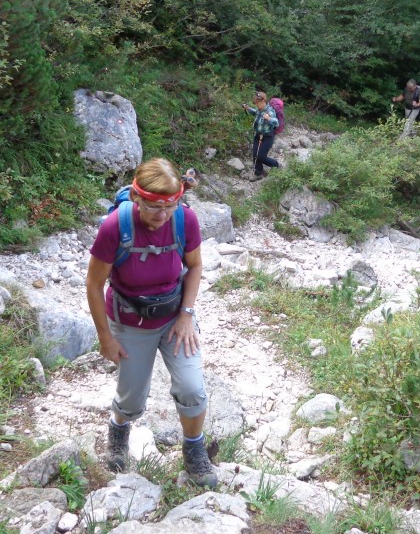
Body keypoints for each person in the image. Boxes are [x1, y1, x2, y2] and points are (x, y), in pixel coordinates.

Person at [85, 158, 217, 488]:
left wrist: (187, 315)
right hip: (129, 321)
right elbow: (93, 284)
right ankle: (119, 429)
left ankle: (194, 448)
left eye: (170, 206)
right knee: (131, 400)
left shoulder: (184, 220)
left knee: (192, 388)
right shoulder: (115, 227)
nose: (162, 215)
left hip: (174, 316)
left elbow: (196, 266)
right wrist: (106, 339)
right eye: (154, 206)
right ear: (136, 199)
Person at [242, 91, 279, 179]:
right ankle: (258, 173)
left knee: (261, 156)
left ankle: (275, 164)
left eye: (257, 103)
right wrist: (248, 108)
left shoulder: (270, 111)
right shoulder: (259, 110)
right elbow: (255, 112)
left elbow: (276, 123)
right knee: (255, 154)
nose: (257, 105)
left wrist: (269, 118)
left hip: (267, 136)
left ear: (263, 101)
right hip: (258, 135)